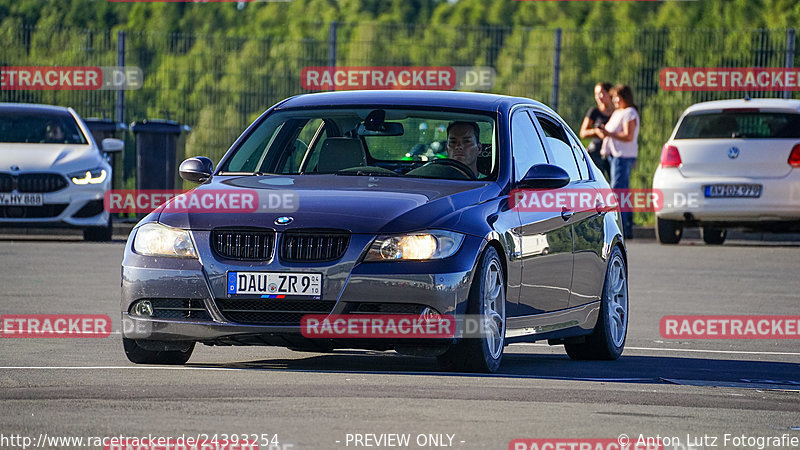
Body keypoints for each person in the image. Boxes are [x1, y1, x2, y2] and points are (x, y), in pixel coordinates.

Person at [597, 84, 640, 239]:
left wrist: (610, 134)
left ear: (624, 97)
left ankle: (623, 227)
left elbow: (628, 136)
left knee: (618, 192)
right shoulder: (618, 113)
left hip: (622, 156)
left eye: (617, 97)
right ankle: (624, 226)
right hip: (613, 156)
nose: (614, 100)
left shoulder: (630, 113)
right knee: (621, 191)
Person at [579, 82, 613, 180]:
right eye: (596, 94)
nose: (599, 97)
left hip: (613, 153)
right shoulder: (594, 112)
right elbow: (583, 132)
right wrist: (596, 132)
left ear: (610, 93)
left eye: (601, 93)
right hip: (596, 153)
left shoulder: (618, 112)